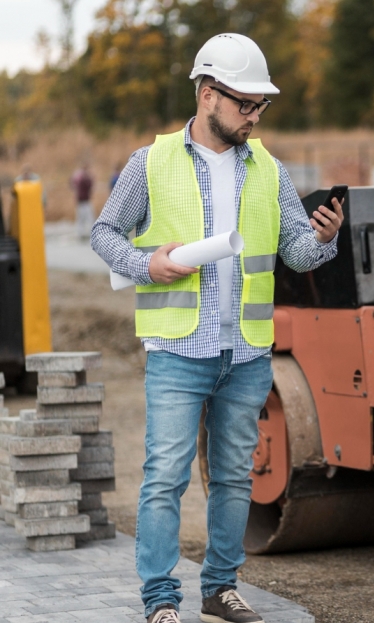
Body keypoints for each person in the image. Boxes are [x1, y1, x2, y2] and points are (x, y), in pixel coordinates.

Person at [91, 33, 344, 623]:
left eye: (261, 106)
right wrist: (146, 264)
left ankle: (219, 589)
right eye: (245, 104)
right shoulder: (150, 162)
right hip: (178, 349)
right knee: (164, 479)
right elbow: (105, 234)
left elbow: (296, 255)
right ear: (208, 95)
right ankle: (159, 601)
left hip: (247, 353)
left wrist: (323, 240)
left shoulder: (270, 171)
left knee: (233, 478)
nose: (255, 116)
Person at [70, 162, 94, 239]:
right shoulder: (82, 177)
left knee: (84, 218)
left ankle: (82, 233)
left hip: (82, 200)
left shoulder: (77, 176)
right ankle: (83, 233)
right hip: (83, 201)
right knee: (86, 218)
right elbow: (89, 184)